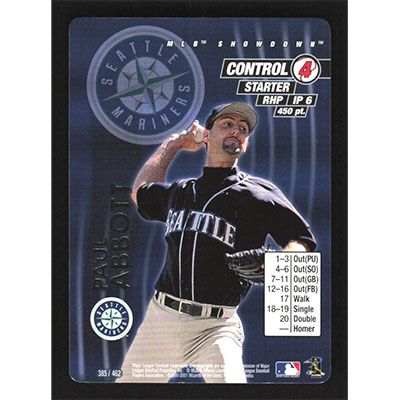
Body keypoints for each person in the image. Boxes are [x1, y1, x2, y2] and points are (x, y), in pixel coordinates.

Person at [117, 102, 316, 383]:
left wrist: (279, 262)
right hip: (161, 319)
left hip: (216, 326)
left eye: (243, 129)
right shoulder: (181, 191)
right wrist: (173, 144)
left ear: (246, 143)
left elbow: (303, 240)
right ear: (207, 136)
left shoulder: (257, 194)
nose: (237, 130)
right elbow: (141, 193)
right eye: (227, 124)